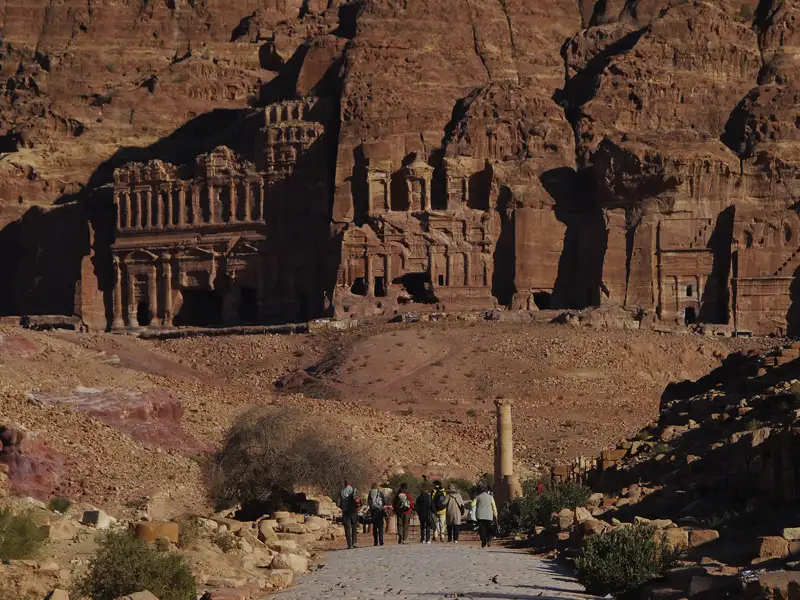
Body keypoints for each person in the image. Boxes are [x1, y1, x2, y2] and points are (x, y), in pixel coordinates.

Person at [473, 481, 497, 548]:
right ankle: (489, 539)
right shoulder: (490, 497)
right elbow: (494, 506)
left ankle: (483, 542)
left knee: (482, 529)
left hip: (480, 515)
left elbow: (472, 504)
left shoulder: (477, 497)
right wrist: (495, 514)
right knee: (489, 528)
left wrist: (477, 505)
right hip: (489, 515)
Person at [337, 480, 360, 549]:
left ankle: (349, 544)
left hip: (345, 512)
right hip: (353, 511)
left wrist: (343, 507)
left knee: (347, 528)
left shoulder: (341, 492)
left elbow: (338, 503)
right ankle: (354, 542)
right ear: (350, 483)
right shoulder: (353, 490)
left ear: (345, 484)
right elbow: (357, 500)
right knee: (354, 527)